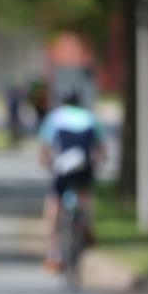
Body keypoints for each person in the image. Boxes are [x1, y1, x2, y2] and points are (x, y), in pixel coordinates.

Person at [37, 90, 105, 271]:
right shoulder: (90, 117)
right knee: (85, 194)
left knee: (54, 203)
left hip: (63, 166)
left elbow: (45, 148)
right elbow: (100, 149)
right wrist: (97, 164)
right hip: (84, 165)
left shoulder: (55, 118)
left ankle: (53, 252)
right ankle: (87, 226)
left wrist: (47, 163)